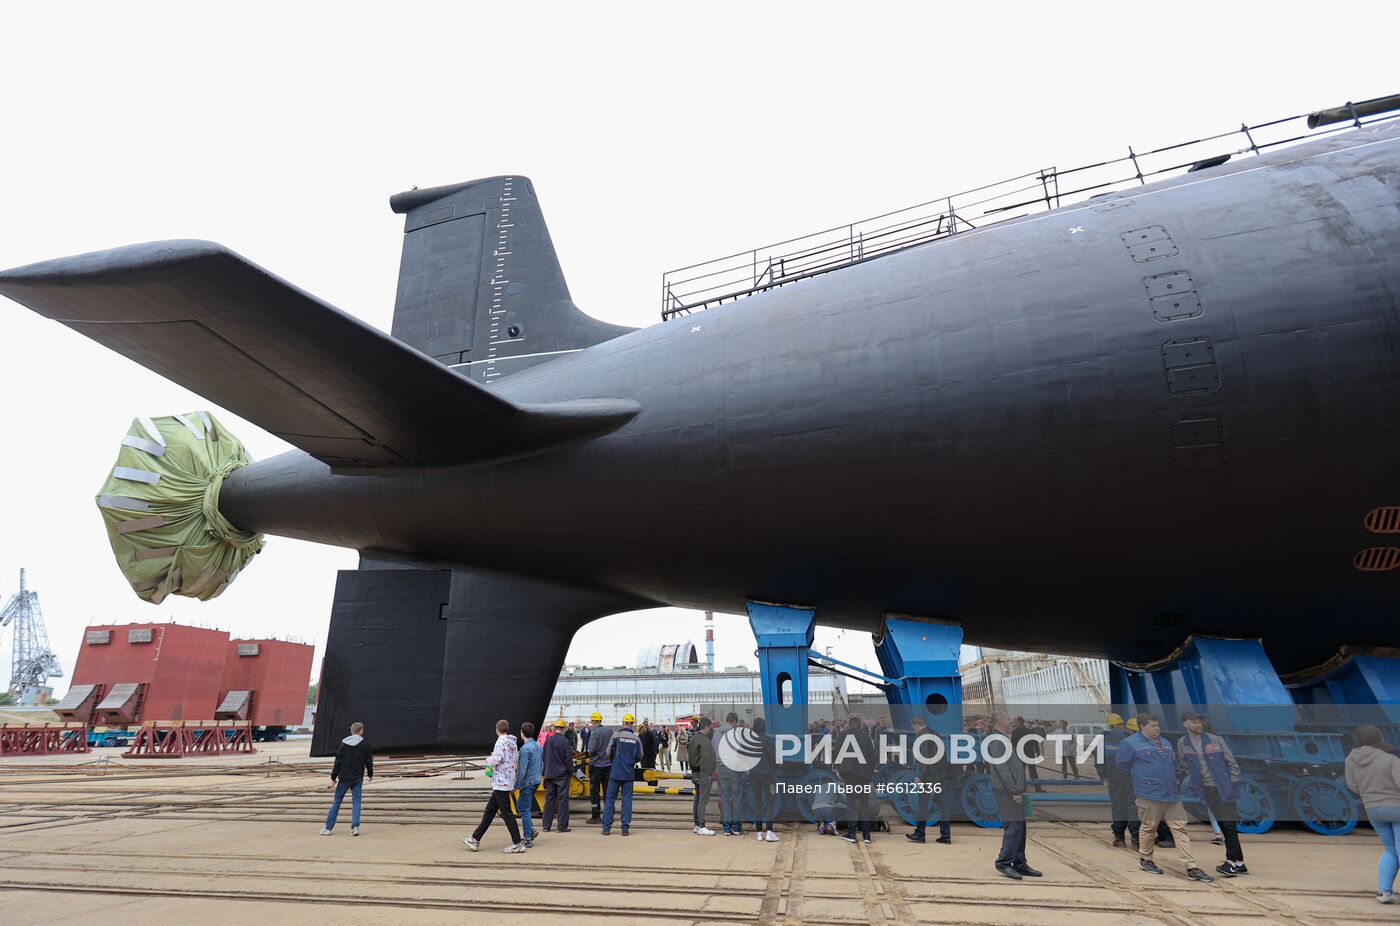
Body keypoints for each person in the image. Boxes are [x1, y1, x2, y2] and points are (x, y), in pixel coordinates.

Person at [1116, 713, 1212, 881]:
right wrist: (1142, 778)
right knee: (1148, 828)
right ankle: (1146, 859)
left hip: (1171, 795)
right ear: (1142, 727)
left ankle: (1191, 867)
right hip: (1149, 794)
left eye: (1158, 725)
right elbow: (1122, 765)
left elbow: (1173, 764)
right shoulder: (1130, 744)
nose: (1157, 728)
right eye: (1153, 726)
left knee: (1180, 829)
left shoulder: (1166, 743)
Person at [1177, 711, 1246, 876]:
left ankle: (1230, 862)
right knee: (1223, 825)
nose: (1198, 725)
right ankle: (1239, 863)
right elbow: (1183, 764)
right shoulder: (1183, 743)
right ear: (1185, 724)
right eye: (1194, 722)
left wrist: (1231, 782)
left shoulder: (1215, 740)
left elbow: (1232, 762)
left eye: (1199, 722)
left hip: (1224, 788)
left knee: (1229, 825)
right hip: (1207, 789)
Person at [1344, 724, 1400, 905]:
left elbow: (1353, 786)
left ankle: (1385, 892)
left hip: (1373, 809)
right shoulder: (1390, 759)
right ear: (1379, 738)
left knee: (1390, 850)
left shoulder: (1350, 760)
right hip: (1396, 807)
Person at [987, 710, 1040, 879]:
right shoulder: (997, 740)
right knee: (1014, 826)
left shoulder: (1002, 738)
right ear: (1000, 721)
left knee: (1020, 827)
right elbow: (1002, 768)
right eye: (1007, 719)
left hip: (1012, 790)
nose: (1010, 722)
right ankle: (1003, 862)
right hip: (1007, 791)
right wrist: (1014, 790)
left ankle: (1019, 862)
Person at [465, 719, 526, 853]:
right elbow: (515, 759)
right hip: (507, 780)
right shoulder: (513, 743)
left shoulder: (500, 742)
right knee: (489, 811)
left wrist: (488, 760)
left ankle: (517, 843)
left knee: (507, 814)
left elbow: (497, 759)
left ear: (497, 729)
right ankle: (475, 839)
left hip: (500, 782)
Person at [320, 721, 373, 836]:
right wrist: (370, 774)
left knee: (337, 801)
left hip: (344, 778)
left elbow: (337, 762)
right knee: (357, 802)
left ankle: (328, 828)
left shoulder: (344, 744)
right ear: (360, 731)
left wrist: (333, 777)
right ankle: (355, 828)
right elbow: (368, 760)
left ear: (352, 731)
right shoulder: (365, 744)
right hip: (357, 777)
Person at [905, 716, 951, 845]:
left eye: (913, 727)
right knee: (943, 806)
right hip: (940, 776)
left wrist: (921, 776)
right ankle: (946, 836)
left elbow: (925, 759)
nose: (913, 730)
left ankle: (920, 834)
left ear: (916, 725)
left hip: (929, 777)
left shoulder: (923, 736)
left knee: (922, 805)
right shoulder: (935, 733)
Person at [1097, 713, 1140, 849]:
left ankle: (1119, 838)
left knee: (1118, 808)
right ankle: (1136, 839)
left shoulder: (1102, 740)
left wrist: (1104, 776)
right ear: (1118, 725)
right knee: (1133, 807)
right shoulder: (1130, 739)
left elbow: (1099, 762)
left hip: (1114, 779)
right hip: (1130, 778)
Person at [837, 715, 876, 844]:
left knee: (850, 803)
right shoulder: (866, 738)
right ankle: (866, 836)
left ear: (849, 725)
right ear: (860, 725)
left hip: (849, 775)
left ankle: (852, 833)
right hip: (863, 776)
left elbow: (836, 752)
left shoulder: (843, 736)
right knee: (864, 804)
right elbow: (872, 758)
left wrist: (840, 769)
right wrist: (869, 774)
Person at [602, 714, 642, 835]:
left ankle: (606, 828)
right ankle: (625, 828)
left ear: (623, 723)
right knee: (627, 800)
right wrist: (631, 762)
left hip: (615, 772)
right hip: (628, 773)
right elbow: (640, 756)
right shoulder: (636, 739)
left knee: (609, 800)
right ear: (632, 724)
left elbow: (608, 752)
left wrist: (614, 762)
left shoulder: (615, 736)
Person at [748, 717, 779, 842]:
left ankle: (759, 833)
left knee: (757, 802)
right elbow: (774, 756)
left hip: (753, 774)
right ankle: (770, 832)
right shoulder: (767, 739)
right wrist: (773, 769)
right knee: (770, 801)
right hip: (767, 775)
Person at [716, 712, 746, 836]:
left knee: (725, 798)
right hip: (733, 769)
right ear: (733, 721)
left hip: (721, 768)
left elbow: (714, 751)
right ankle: (736, 827)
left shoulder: (716, 733)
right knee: (737, 797)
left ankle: (726, 828)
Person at [542, 717, 573, 834]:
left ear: (554, 728)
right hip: (562, 775)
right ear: (563, 729)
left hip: (549, 774)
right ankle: (561, 827)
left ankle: (546, 826)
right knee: (562, 801)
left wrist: (545, 772)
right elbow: (568, 759)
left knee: (549, 800)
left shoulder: (548, 740)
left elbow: (544, 757)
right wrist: (570, 771)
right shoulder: (565, 741)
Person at [515, 721, 543, 848]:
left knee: (524, 810)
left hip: (527, 782)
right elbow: (541, 764)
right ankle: (530, 829)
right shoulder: (538, 746)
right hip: (536, 780)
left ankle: (527, 837)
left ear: (522, 733)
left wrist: (517, 784)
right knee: (520, 805)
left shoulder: (525, 749)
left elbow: (522, 769)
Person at [689, 716, 717, 836]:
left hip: (695, 772)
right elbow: (706, 759)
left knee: (697, 798)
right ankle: (702, 825)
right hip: (703, 773)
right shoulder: (704, 740)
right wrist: (710, 772)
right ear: (706, 727)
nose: (711, 730)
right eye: (710, 727)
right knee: (703, 801)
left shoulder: (695, 738)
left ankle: (696, 825)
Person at [585, 711, 612, 824]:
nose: (591, 724)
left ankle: (596, 816)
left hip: (596, 767)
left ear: (595, 721)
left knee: (594, 792)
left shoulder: (594, 733)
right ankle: (608, 815)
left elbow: (591, 750)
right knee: (608, 791)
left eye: (592, 721)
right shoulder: (610, 732)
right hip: (608, 767)